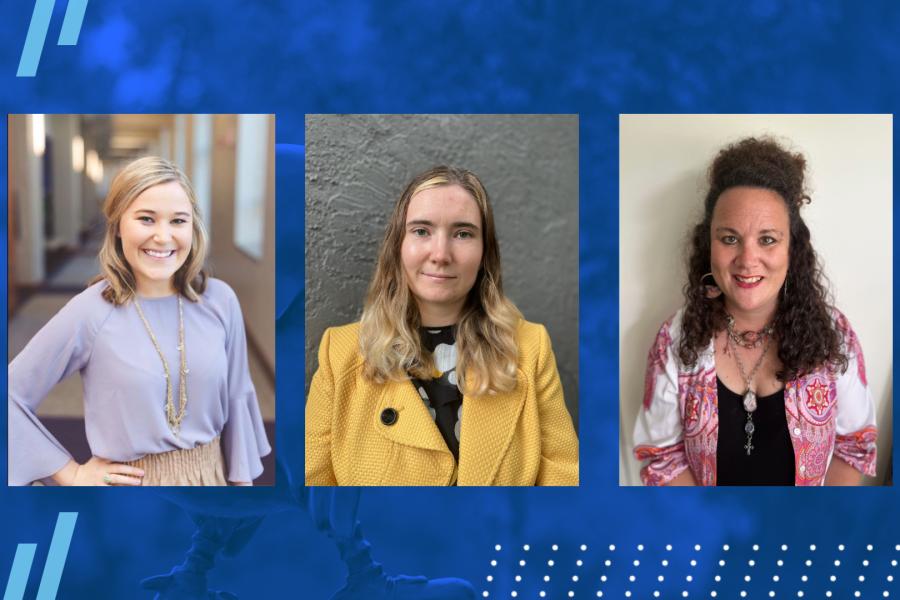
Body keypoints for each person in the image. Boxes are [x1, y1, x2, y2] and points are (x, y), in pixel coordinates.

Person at [305, 165, 578, 486]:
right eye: (421, 231)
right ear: (398, 246)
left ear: (485, 252)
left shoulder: (531, 347)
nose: (441, 254)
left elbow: (563, 484)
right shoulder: (340, 354)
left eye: (463, 233)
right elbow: (309, 502)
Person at [8, 156, 271, 486]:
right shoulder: (91, 311)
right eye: (146, 219)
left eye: (178, 221)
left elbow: (236, 403)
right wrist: (70, 473)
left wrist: (239, 511)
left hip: (212, 484)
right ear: (118, 225)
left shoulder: (220, 301)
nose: (163, 237)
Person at [633, 137, 877, 486]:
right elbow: (662, 458)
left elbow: (855, 446)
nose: (748, 260)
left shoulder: (834, 336)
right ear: (709, 246)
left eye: (767, 239)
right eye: (730, 238)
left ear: (792, 248)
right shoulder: (674, 341)